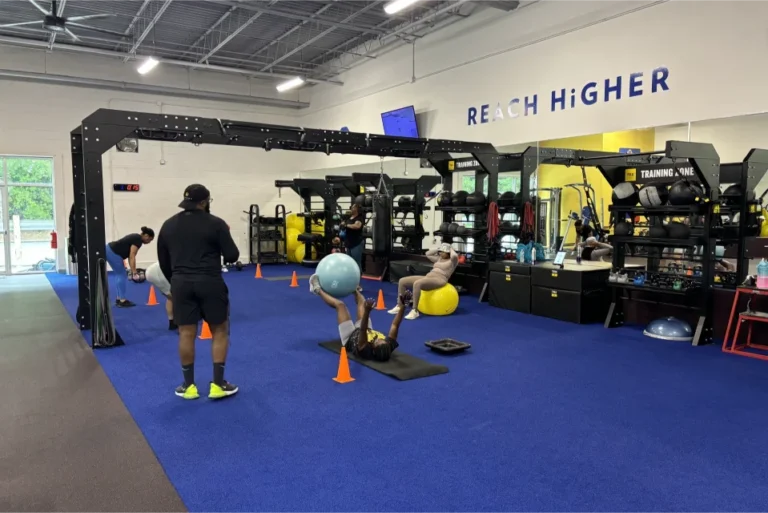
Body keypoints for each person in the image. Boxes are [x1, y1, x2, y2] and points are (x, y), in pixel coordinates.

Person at [157, 184, 240, 401]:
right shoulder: (217, 223)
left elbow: (164, 263)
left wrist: (177, 282)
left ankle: (189, 386)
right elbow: (232, 256)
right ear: (204, 202)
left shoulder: (168, 225)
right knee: (220, 330)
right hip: (210, 282)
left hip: (181, 283)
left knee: (185, 333)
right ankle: (218, 385)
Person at [309, 275, 408, 362]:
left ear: (373, 349)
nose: (379, 339)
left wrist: (367, 311)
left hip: (350, 337)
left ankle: (317, 289)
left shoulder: (365, 350)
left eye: (377, 342)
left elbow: (362, 329)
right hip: (366, 330)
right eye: (382, 340)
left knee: (340, 305)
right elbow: (395, 325)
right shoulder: (388, 346)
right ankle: (353, 288)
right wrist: (403, 306)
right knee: (362, 301)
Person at [389, 243, 459, 320]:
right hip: (429, 277)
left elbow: (454, 256)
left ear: (448, 253)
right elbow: (427, 254)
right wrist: (439, 248)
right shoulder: (439, 258)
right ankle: (400, 305)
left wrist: (450, 248)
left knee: (417, 283)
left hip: (439, 279)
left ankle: (414, 311)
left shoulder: (453, 261)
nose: (441, 253)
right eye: (440, 251)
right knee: (402, 281)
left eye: (443, 252)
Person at [105, 227, 155, 307]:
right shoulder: (138, 240)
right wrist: (134, 272)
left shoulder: (136, 237)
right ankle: (122, 300)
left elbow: (130, 256)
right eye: (150, 240)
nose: (149, 242)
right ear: (146, 235)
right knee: (121, 274)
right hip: (113, 253)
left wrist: (133, 270)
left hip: (110, 250)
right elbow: (132, 256)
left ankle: (119, 298)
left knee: (120, 274)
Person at [145, 262, 177, 331]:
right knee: (176, 298)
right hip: (159, 272)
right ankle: (181, 324)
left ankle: (172, 322)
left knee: (171, 298)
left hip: (154, 270)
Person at [342, 203, 365, 272]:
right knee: (349, 262)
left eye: (353, 207)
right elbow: (344, 225)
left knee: (356, 262)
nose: (351, 208)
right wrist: (342, 225)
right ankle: (351, 280)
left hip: (356, 243)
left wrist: (346, 225)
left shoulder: (359, 218)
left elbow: (357, 226)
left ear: (357, 209)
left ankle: (357, 280)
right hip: (348, 243)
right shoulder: (349, 217)